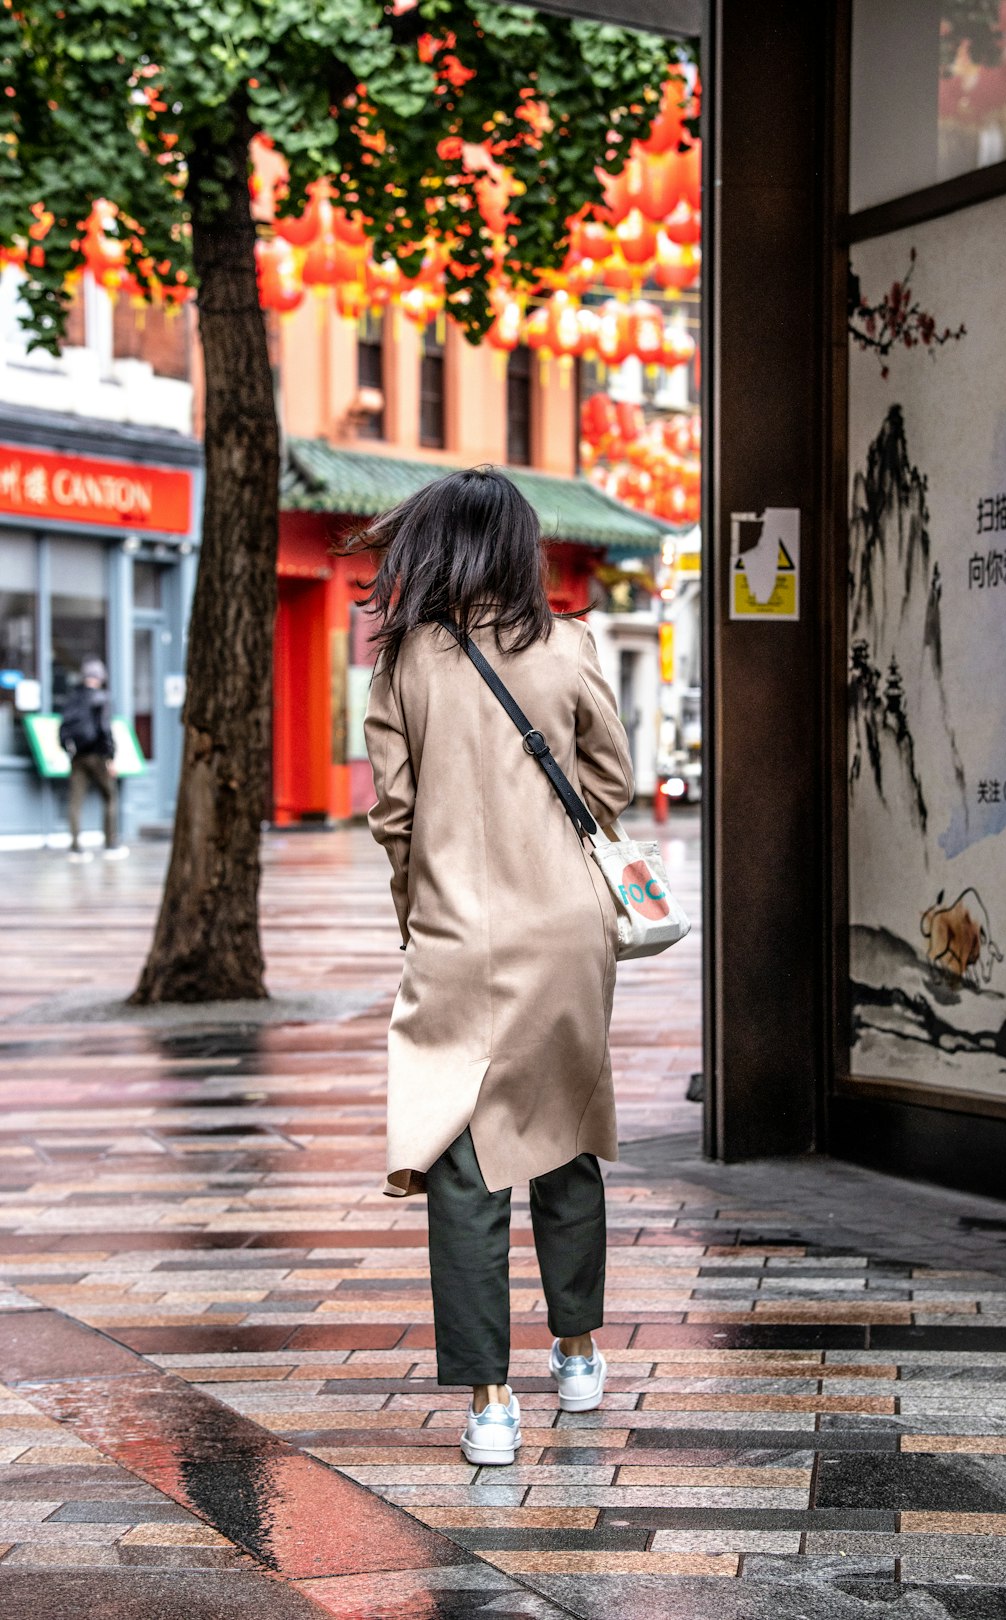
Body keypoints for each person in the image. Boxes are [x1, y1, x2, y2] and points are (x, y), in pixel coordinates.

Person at [355, 466, 634, 1466]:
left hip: (455, 935)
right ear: (522, 548)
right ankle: (579, 1350)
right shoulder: (567, 647)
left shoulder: (403, 668)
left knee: (463, 1166)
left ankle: (488, 1404)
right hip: (564, 932)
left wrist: (416, 917)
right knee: (563, 1132)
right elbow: (612, 780)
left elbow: (392, 814)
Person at [59, 657, 128, 863]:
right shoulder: (100, 698)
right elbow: (105, 729)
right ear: (99, 677)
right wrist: (111, 757)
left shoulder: (73, 698)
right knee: (110, 797)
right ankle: (110, 844)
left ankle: (75, 847)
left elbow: (62, 729)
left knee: (75, 802)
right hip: (98, 755)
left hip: (78, 756)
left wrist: (68, 751)